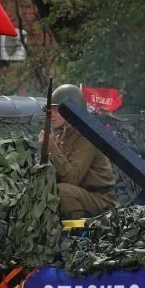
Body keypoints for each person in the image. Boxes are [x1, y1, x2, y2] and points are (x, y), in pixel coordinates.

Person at [40, 84, 118, 218]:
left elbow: (71, 178)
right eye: (50, 110)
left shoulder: (87, 137)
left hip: (101, 200)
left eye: (56, 110)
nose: (51, 115)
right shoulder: (62, 137)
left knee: (62, 191)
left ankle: (78, 233)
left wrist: (50, 146)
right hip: (82, 194)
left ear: (72, 110)